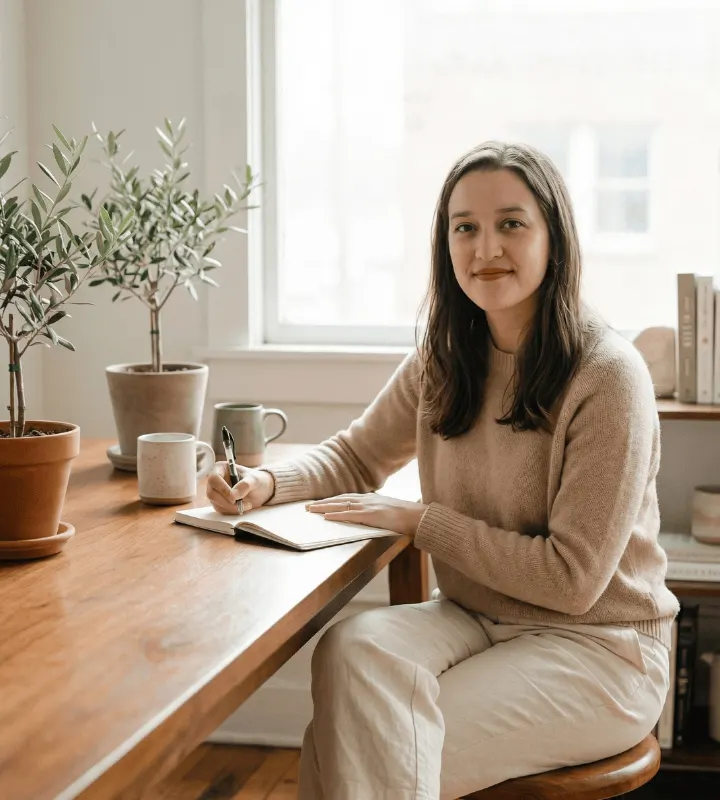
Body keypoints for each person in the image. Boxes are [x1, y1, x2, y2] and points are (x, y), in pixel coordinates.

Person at [207, 141, 679, 800]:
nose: (486, 248)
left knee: (355, 747)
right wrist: (265, 483)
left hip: (599, 646)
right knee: (353, 651)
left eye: (511, 223)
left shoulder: (606, 375)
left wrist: (421, 522)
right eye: (466, 228)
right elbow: (357, 454)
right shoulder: (447, 354)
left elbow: (573, 581)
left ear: (555, 239)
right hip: (474, 617)